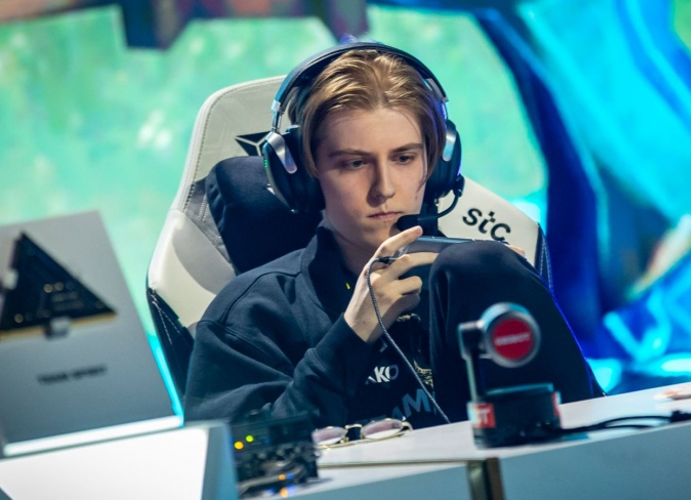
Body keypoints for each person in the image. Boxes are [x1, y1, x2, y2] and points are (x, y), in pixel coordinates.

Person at [183, 41, 603, 430]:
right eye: (353, 163)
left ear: (437, 165)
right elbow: (236, 456)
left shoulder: (483, 279)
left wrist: (511, 287)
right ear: (306, 174)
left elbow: (590, 430)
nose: (384, 188)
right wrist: (351, 334)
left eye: (404, 158)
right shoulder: (253, 314)